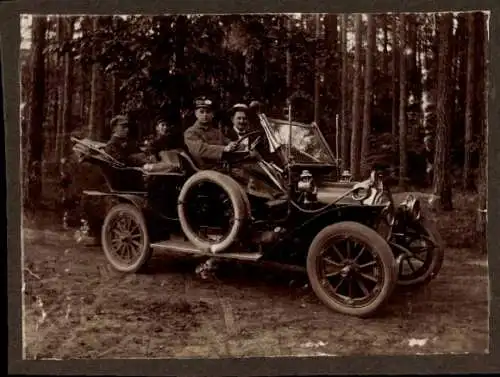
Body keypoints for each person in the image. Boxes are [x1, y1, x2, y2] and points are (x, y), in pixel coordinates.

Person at [183, 96, 239, 169]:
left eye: (208, 112)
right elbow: (200, 149)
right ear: (196, 114)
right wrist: (224, 149)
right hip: (204, 170)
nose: (205, 115)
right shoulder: (191, 132)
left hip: (222, 167)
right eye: (201, 112)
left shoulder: (216, 132)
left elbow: (227, 142)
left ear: (212, 114)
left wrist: (233, 144)